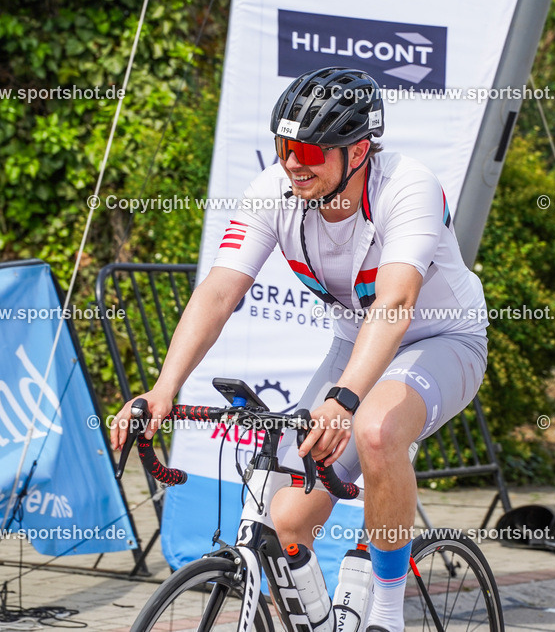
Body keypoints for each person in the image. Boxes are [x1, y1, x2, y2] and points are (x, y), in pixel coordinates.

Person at [110, 67, 488, 632]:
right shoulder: (275, 191)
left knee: (377, 429)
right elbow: (218, 292)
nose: (293, 162)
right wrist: (164, 389)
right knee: (286, 521)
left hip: (441, 340)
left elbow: (396, 301)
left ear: (358, 152)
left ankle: (387, 613)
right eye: (284, 146)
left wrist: (344, 399)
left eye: (309, 149)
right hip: (354, 346)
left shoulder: (408, 187)